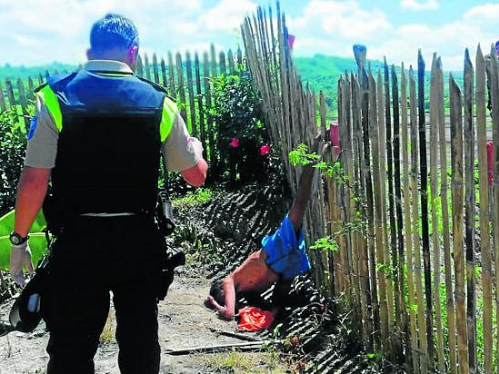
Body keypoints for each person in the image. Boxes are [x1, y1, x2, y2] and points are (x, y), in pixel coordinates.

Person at [9, 14, 207, 374]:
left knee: (71, 348)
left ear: (89, 51)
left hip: (78, 244)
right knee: (140, 343)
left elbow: (35, 180)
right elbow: (195, 177)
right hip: (139, 242)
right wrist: (195, 147)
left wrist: (19, 241)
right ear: (134, 53)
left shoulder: (55, 99)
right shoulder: (159, 103)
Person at [205, 138, 324, 320]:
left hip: (275, 255)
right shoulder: (247, 292)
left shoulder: (229, 281)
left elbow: (228, 313)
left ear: (220, 288)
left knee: (300, 201)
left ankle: (316, 150)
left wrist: (214, 304)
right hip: (280, 267)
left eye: (221, 298)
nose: (226, 300)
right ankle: (313, 308)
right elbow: (240, 309)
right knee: (274, 310)